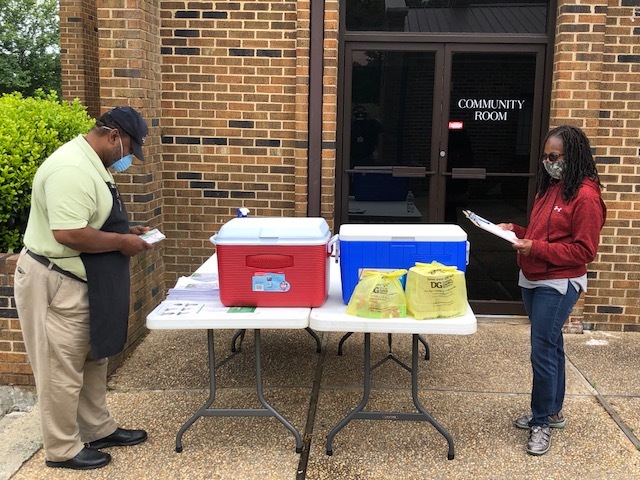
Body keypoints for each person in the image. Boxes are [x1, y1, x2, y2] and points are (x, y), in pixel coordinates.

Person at [14, 106, 154, 470]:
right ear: (112, 136)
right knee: (60, 368)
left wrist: (126, 232)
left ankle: (96, 429)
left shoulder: (92, 164)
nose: (129, 159)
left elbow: (91, 218)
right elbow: (69, 233)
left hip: (83, 281)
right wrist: (121, 244)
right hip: (54, 281)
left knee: (93, 357)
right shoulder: (71, 169)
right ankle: (62, 449)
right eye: (128, 149)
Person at [498, 125, 606, 456]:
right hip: (532, 277)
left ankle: (541, 421)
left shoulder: (586, 196)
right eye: (545, 156)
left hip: (559, 281)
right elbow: (542, 232)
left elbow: (583, 252)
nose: (548, 162)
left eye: (554, 156)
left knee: (541, 350)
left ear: (572, 157)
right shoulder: (552, 188)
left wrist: (536, 249)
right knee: (551, 345)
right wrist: (515, 231)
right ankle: (553, 411)